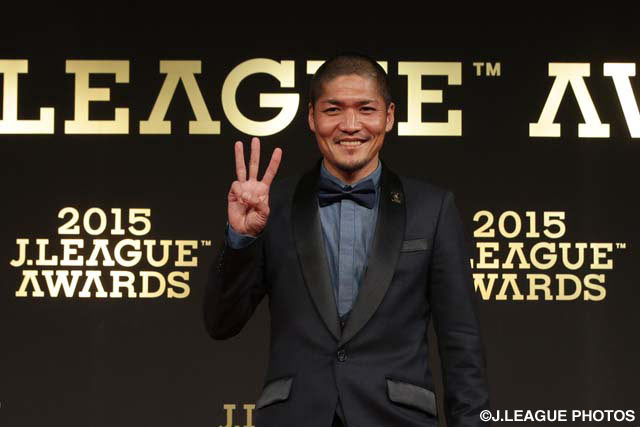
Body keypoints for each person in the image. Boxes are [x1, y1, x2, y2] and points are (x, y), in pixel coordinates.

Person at [203, 52, 490, 427]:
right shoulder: (272, 206)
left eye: (366, 109)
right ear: (312, 117)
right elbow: (220, 323)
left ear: (388, 116)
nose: (351, 125)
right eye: (333, 110)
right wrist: (241, 238)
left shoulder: (432, 209)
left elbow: (461, 341)